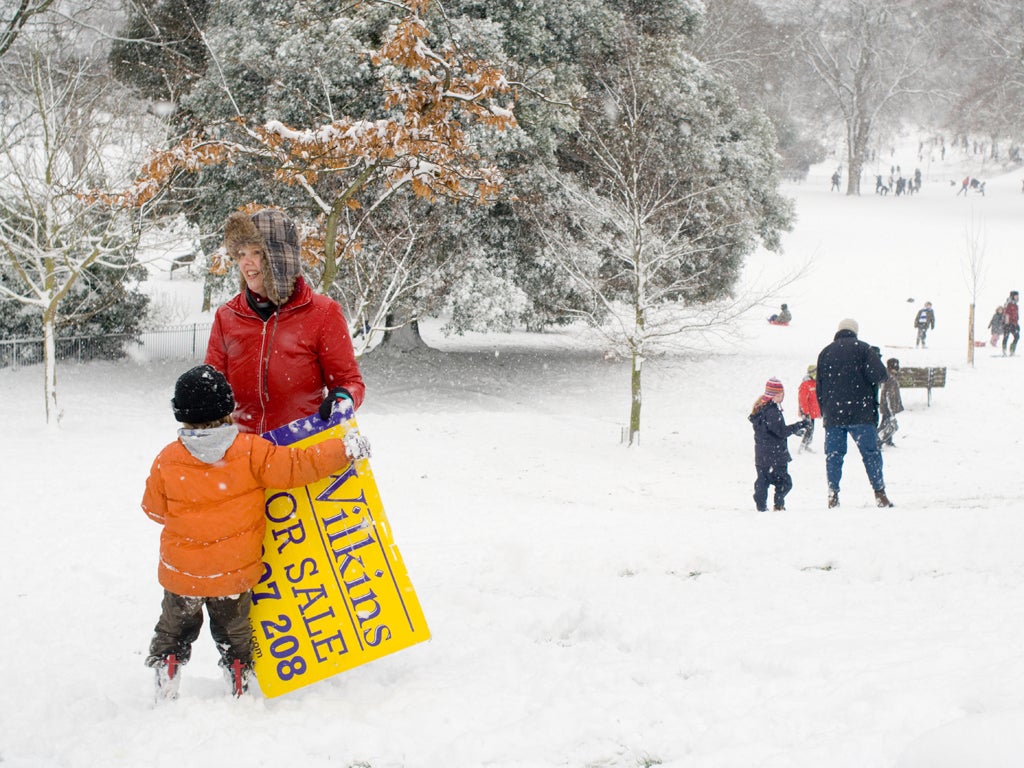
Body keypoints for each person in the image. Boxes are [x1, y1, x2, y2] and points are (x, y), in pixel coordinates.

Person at [141, 365, 359, 699]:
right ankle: (238, 676)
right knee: (234, 633)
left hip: (182, 575)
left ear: (182, 415)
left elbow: (153, 510)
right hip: (233, 575)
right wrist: (343, 449)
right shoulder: (251, 451)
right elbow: (299, 466)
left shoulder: (167, 459)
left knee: (174, 629)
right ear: (227, 410)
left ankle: (167, 673)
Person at [205, 208, 366, 435]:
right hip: (243, 452)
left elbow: (349, 381)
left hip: (299, 446)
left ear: (279, 257)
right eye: (240, 254)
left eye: (256, 252)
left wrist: (342, 398)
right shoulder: (227, 315)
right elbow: (212, 383)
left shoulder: (323, 313)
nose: (246, 262)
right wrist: (199, 399)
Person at [815, 318, 893, 508]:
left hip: (834, 414)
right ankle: (879, 493)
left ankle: (833, 495)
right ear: (855, 332)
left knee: (834, 455)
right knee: (870, 453)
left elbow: (819, 387)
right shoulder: (864, 349)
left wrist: (826, 410)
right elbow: (880, 375)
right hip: (862, 412)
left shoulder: (825, 352)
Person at [749, 377, 808, 512]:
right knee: (784, 482)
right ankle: (779, 505)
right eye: (781, 394)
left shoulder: (760, 410)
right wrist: (798, 426)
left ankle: (761, 503)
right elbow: (781, 432)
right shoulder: (772, 412)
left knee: (763, 481)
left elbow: (772, 431)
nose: (782, 397)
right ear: (774, 395)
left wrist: (793, 429)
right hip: (775, 455)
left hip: (762, 456)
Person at [877, 358, 904, 448]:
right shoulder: (891, 379)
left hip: (886, 406)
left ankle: (888, 440)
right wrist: (892, 410)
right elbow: (890, 397)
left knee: (887, 423)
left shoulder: (888, 376)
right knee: (885, 424)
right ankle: (878, 441)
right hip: (888, 407)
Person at [797, 364, 821, 453]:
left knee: (812, 428)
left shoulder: (815, 383)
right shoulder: (805, 384)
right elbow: (802, 399)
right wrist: (805, 412)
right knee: (809, 428)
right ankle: (802, 446)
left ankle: (807, 444)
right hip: (806, 412)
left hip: (812, 412)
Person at [1002, 291, 1020, 356]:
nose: (1017, 297)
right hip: (1008, 323)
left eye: (1017, 296)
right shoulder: (1008, 304)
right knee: (1006, 336)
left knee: (1017, 336)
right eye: (1016, 296)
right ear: (1012, 296)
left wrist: (1017, 324)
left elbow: (1016, 316)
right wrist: (1006, 323)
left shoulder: (1016, 305)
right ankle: (1004, 350)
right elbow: (1006, 314)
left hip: (1014, 324)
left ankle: (1012, 350)